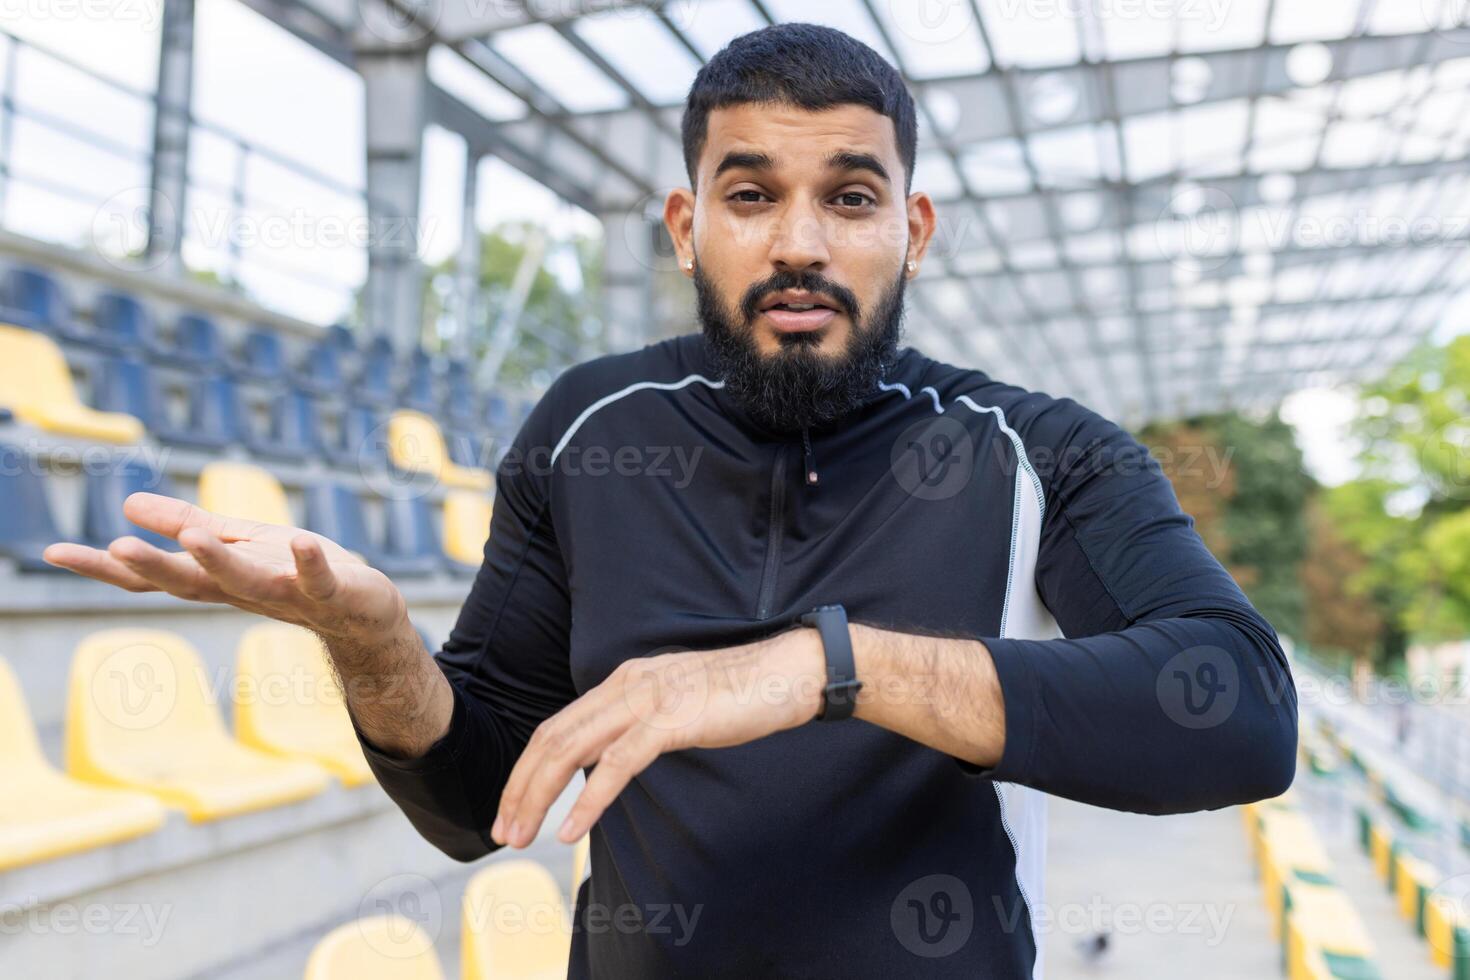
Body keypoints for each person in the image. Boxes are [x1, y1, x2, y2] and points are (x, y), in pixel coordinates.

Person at [46, 23, 1297, 978]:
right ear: (685, 224)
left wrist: (825, 666)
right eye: (751, 195)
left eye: (850, 197)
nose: (799, 241)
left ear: (913, 228)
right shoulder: (589, 430)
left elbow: (1239, 709)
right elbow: (483, 803)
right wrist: (371, 642)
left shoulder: (1037, 447)